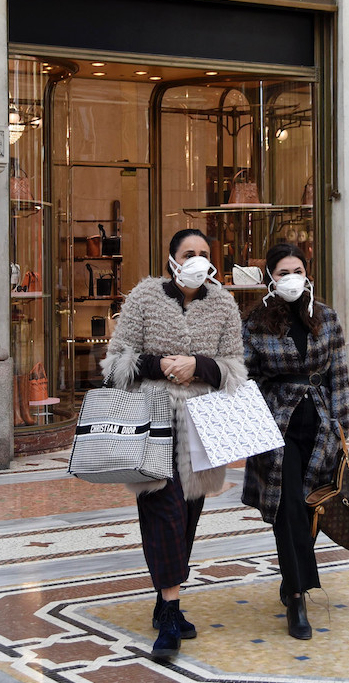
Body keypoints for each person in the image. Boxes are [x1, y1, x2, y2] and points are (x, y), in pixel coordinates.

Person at [101, 229, 246, 660]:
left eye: (204, 254)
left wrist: (199, 364)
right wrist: (159, 364)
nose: (198, 260)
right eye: (190, 253)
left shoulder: (223, 303)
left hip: (203, 429)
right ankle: (169, 610)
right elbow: (115, 362)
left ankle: (166, 597)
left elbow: (235, 368)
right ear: (172, 259)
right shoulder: (145, 298)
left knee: (187, 518)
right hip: (153, 423)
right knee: (163, 512)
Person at [241, 243, 349, 640]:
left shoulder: (326, 318)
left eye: (297, 270)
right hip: (276, 426)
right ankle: (299, 597)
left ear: (308, 274)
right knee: (287, 507)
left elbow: (339, 373)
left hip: (319, 423)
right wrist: (253, 427)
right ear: (271, 277)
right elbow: (245, 378)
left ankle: (290, 582)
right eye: (283, 272)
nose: (292, 279)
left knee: (309, 508)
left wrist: (343, 430)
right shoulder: (255, 323)